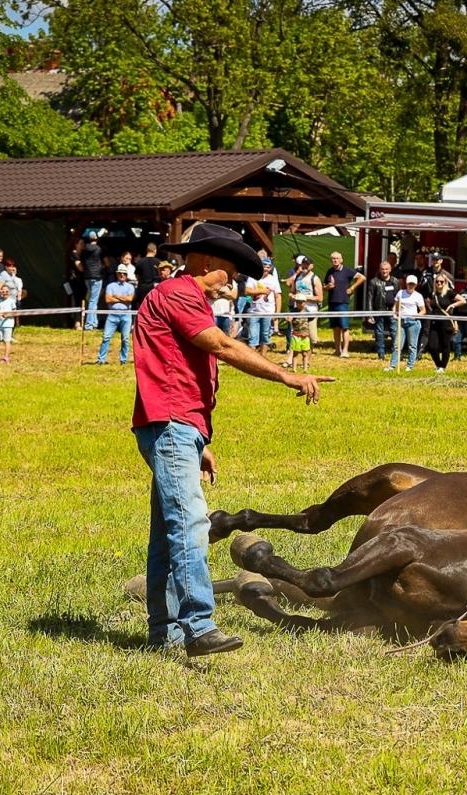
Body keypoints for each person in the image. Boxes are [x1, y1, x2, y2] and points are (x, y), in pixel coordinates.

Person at [130, 222, 330, 656]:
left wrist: (198, 442)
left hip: (175, 425)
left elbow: (179, 370)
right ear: (205, 261)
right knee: (190, 525)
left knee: (169, 532)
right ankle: (199, 625)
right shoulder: (180, 293)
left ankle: (163, 633)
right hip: (170, 424)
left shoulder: (180, 297)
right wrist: (286, 374)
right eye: (233, 268)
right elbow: (221, 346)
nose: (237, 277)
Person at [323, 251, 364, 359]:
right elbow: (324, 286)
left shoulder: (347, 270)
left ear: (341, 260)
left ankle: (345, 351)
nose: (335, 260)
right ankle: (337, 350)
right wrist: (328, 287)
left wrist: (352, 288)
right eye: (333, 258)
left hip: (343, 302)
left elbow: (362, 278)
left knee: (344, 327)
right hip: (332, 302)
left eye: (337, 258)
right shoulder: (329, 271)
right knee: (335, 328)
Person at [97, 263, 138, 365]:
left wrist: (116, 297)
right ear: (117, 274)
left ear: (126, 275)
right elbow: (107, 299)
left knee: (125, 338)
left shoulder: (130, 287)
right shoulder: (110, 286)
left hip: (126, 315)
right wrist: (123, 298)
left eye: (124, 273)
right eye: (120, 273)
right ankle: (101, 359)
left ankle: (123, 360)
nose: (122, 275)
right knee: (106, 337)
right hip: (112, 315)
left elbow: (129, 299)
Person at [286, 254, 321, 371]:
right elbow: (290, 292)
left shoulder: (315, 279)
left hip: (310, 313)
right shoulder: (297, 277)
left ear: (312, 266)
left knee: (310, 338)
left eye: (307, 264)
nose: (305, 266)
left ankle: (307, 362)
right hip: (298, 312)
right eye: (303, 264)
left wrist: (304, 297)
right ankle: (291, 361)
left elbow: (319, 298)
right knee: (294, 337)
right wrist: (294, 296)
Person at [243, 254, 280, 359]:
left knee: (265, 336)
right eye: (264, 266)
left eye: (268, 267)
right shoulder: (253, 277)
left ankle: (263, 358)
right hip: (254, 312)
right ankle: (252, 359)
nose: (266, 268)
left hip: (268, 312)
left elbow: (278, 296)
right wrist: (262, 291)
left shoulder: (273, 279)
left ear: (271, 268)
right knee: (252, 336)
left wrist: (277, 312)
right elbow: (247, 290)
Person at [364, 260, 399, 364]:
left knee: (394, 332)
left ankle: (395, 353)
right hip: (379, 310)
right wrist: (370, 314)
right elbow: (369, 299)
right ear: (379, 270)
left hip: (392, 311)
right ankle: (381, 354)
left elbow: (398, 296)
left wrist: (398, 310)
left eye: (386, 269)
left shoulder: (395, 281)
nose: (384, 271)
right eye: (382, 269)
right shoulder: (373, 282)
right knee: (379, 332)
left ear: (390, 270)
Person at [390, 275, 426, 371]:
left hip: (413, 322)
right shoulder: (400, 293)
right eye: (409, 284)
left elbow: (423, 310)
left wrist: (415, 316)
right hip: (401, 321)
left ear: (416, 285)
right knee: (397, 345)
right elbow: (395, 306)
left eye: (413, 284)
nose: (411, 286)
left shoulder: (418, 296)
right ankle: (392, 365)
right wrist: (394, 314)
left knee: (412, 345)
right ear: (406, 284)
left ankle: (410, 366)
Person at [423, 275, 457, 373]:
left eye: (442, 282)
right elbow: (428, 302)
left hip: (446, 323)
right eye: (437, 281)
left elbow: (463, 300)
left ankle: (443, 367)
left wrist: (452, 305)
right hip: (435, 323)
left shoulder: (449, 293)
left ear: (445, 283)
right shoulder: (432, 293)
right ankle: (438, 365)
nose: (439, 283)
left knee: (446, 345)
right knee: (432, 346)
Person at [79, 231, 105, 331]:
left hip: (87, 277)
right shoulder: (99, 249)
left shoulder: (84, 249)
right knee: (93, 301)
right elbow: (104, 262)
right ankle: (89, 324)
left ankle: (94, 323)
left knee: (92, 300)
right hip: (97, 277)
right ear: (96, 239)